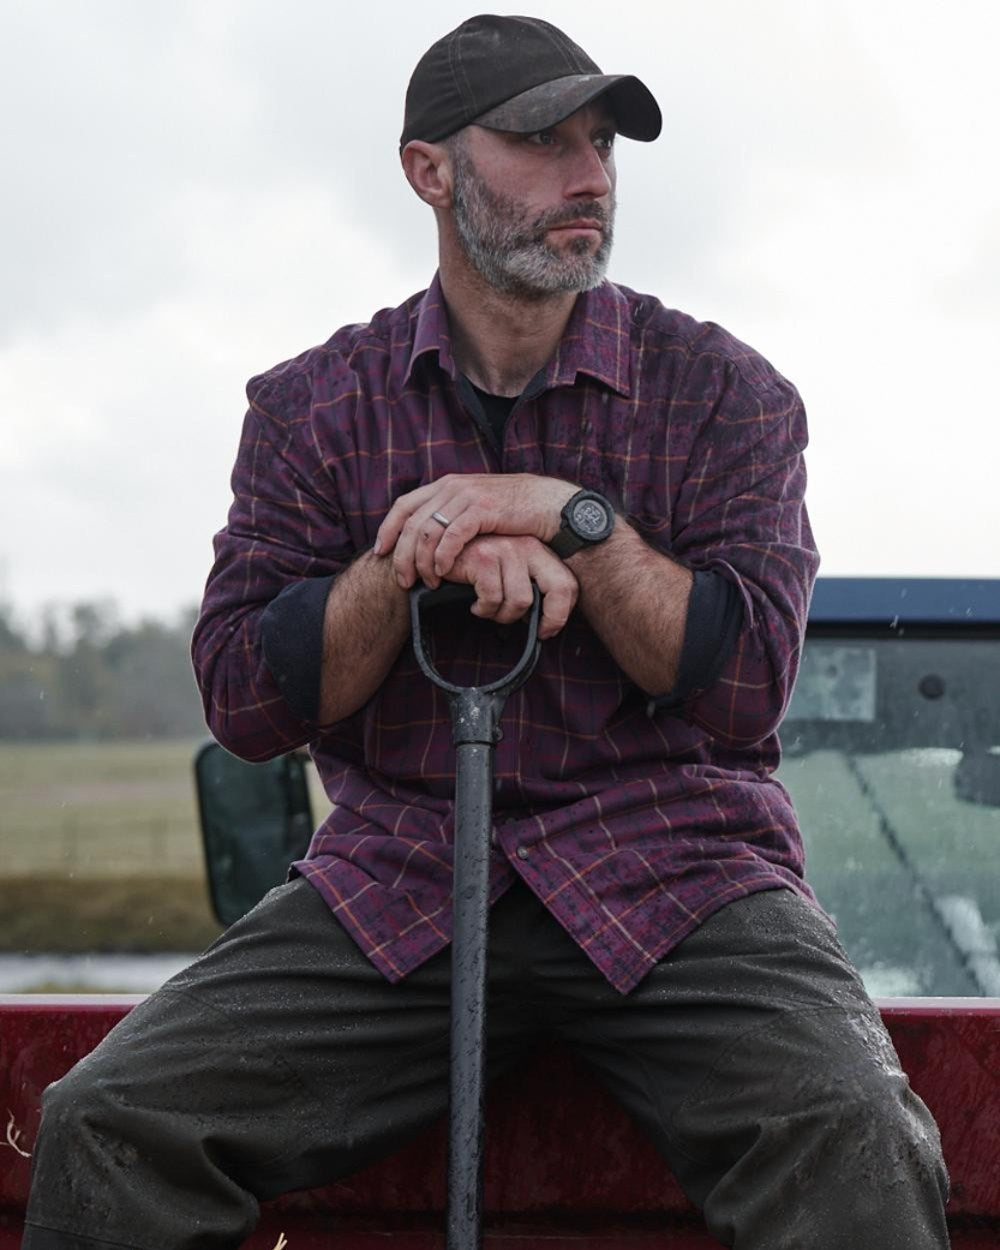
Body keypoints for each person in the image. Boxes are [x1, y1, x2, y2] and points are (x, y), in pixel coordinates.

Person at [23, 15, 949, 1249]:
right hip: (396, 878)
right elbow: (249, 703)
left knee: (859, 1129)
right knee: (106, 1122)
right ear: (429, 171)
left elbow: (741, 690)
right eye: (541, 141)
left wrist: (569, 519)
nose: (591, 177)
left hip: (680, 879)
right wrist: (408, 557)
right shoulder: (311, 408)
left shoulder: (726, 393)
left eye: (603, 143)